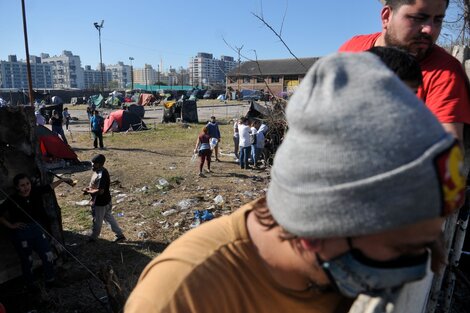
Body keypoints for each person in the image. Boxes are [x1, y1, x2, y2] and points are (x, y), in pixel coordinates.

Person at [125, 52, 466, 313]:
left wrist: (418, 234)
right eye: (404, 250)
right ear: (320, 226)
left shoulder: (345, 251)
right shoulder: (182, 296)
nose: (417, 264)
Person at [339, 0, 470, 143]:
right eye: (418, 18)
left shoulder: (445, 72)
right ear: (386, 17)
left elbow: (448, 155)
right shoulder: (351, 50)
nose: (430, 30)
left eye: (438, 20)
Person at [0, 173, 73, 291]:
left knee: (47, 255)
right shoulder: (12, 200)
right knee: (27, 261)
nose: (26, 187)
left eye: (27, 184)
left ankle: (50, 280)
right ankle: (30, 285)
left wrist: (62, 180)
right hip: (21, 233)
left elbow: (49, 187)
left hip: (38, 229)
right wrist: (11, 225)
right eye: (22, 185)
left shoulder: (35, 192)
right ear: (17, 187)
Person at [82, 154, 125, 243]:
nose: (92, 165)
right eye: (92, 163)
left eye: (95, 163)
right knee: (109, 218)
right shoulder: (97, 171)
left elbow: (100, 191)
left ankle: (93, 238)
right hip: (106, 200)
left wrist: (88, 192)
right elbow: (95, 186)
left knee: (97, 221)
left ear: (100, 164)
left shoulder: (102, 174)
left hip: (100, 202)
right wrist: (89, 189)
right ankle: (120, 235)